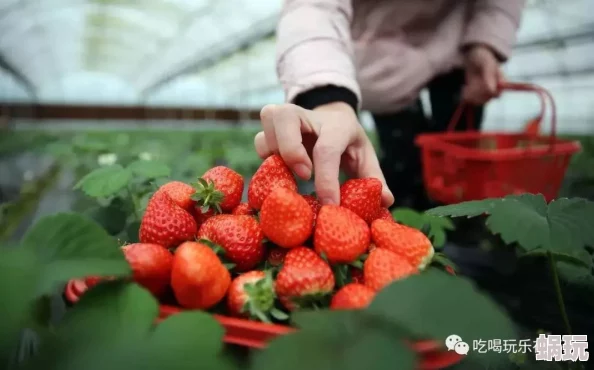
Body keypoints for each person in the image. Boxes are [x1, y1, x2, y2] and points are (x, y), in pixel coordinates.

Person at [255, 0, 526, 210]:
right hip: (384, 62)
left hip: (458, 52)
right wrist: (328, 98)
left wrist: (485, 41)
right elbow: (313, 8)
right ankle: (409, 235)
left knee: (458, 171)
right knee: (402, 168)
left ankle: (450, 240)